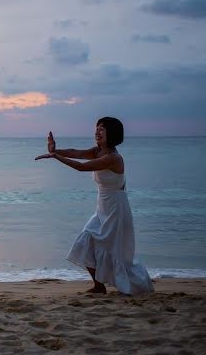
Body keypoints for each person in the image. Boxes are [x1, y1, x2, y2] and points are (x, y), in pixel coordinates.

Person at [35, 117, 153, 295]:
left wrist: (56, 157)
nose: (97, 132)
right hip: (103, 207)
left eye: (102, 129)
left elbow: (82, 167)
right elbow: (77, 153)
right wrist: (55, 150)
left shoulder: (113, 158)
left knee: (115, 252)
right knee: (85, 241)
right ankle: (99, 286)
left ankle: (130, 284)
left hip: (116, 209)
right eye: (97, 128)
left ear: (111, 134)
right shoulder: (98, 151)